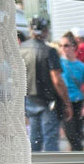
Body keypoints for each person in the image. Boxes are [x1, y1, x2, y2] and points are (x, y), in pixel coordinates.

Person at [20, 17, 71, 152]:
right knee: (50, 139)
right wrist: (66, 102)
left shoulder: (21, 48)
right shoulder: (49, 51)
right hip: (48, 100)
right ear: (46, 31)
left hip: (29, 97)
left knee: (35, 137)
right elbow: (57, 80)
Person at [58, 32, 84, 151]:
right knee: (71, 134)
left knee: (77, 133)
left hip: (78, 101)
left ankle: (76, 157)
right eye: (61, 45)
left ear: (74, 47)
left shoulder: (82, 66)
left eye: (66, 45)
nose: (63, 48)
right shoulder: (57, 63)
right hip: (64, 102)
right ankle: (79, 153)